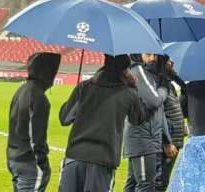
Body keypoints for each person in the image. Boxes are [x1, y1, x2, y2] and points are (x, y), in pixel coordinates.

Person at [58, 54, 149, 192]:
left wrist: (73, 97)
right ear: (125, 69)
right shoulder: (129, 93)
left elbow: (64, 118)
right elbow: (138, 119)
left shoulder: (84, 87)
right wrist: (135, 89)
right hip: (103, 161)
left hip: (75, 157)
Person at [7, 52, 61, 192]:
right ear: (47, 72)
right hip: (29, 162)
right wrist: (41, 161)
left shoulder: (20, 90)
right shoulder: (39, 98)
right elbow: (36, 137)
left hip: (14, 157)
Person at [124, 54, 176, 192]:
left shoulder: (150, 74)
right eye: (148, 54)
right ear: (139, 54)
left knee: (134, 184)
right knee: (146, 186)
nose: (152, 58)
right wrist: (165, 86)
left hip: (148, 138)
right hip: (143, 139)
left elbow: (160, 111)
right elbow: (154, 101)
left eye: (154, 55)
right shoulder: (138, 70)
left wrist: (167, 140)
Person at [156, 59, 186, 192]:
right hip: (168, 143)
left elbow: (186, 90)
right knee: (159, 182)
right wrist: (166, 142)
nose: (173, 63)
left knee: (163, 181)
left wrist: (175, 77)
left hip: (175, 139)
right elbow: (158, 115)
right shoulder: (159, 85)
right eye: (169, 62)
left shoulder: (169, 85)